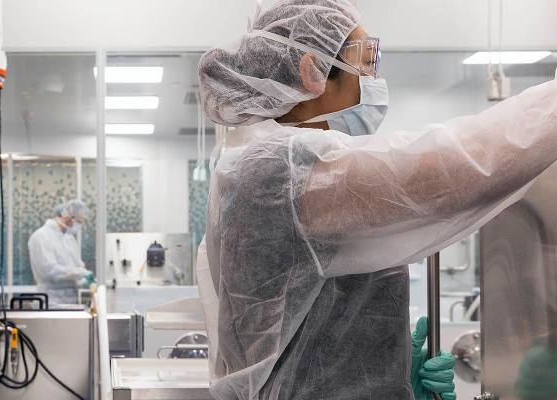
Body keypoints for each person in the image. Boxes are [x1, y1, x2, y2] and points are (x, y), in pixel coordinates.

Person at [195, 0, 557, 399]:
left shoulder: (265, 164)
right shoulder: (277, 171)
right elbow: (461, 167)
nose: (374, 78)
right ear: (312, 71)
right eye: (366, 61)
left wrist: (394, 367)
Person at [28, 199, 93, 306]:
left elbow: (77, 266)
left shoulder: (68, 238)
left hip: (71, 302)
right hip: (50, 302)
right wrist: (80, 273)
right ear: (67, 216)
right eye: (78, 222)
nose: (79, 226)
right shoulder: (41, 236)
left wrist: (84, 281)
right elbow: (50, 271)